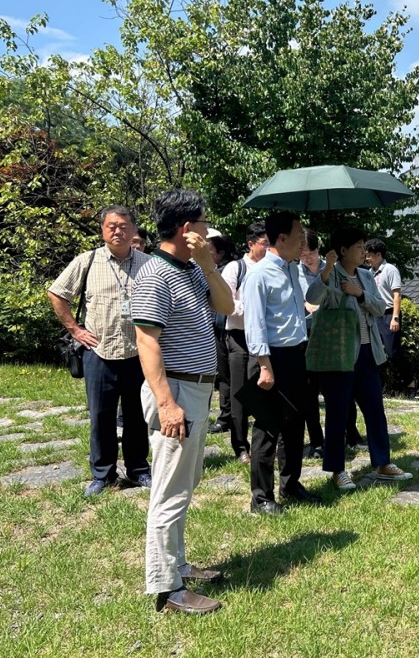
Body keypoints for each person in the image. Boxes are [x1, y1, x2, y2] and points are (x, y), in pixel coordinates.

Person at [132, 188, 234, 615]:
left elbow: (228, 306)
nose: (209, 230)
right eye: (205, 223)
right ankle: (166, 587)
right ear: (187, 228)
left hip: (196, 389)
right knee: (169, 491)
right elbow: (146, 342)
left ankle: (178, 565)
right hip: (175, 391)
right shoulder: (154, 274)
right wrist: (168, 404)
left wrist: (210, 267)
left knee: (183, 484)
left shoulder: (192, 270)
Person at [48, 205, 152, 497]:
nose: (117, 231)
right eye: (111, 226)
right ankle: (103, 475)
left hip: (138, 353)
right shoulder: (88, 261)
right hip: (99, 352)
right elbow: (57, 293)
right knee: (101, 417)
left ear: (133, 230)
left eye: (123, 225)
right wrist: (75, 330)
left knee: (137, 416)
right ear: (102, 230)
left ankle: (138, 470)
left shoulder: (148, 263)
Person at [315, 227, 413, 492]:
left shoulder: (367, 276)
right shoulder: (330, 272)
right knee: (337, 413)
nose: (364, 252)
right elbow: (313, 297)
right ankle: (337, 470)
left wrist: (358, 293)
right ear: (344, 250)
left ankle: (382, 463)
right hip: (340, 353)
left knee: (374, 408)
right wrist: (328, 269)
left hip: (367, 351)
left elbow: (381, 307)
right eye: (359, 246)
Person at [242, 211, 322, 514]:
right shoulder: (259, 275)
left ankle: (291, 484)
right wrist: (264, 365)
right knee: (266, 428)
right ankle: (261, 497)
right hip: (270, 357)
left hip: (295, 356)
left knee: (294, 424)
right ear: (282, 238)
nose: (303, 241)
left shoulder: (291, 270)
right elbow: (255, 323)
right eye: (299, 234)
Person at [220, 222, 269, 465]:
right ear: (251, 244)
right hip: (240, 338)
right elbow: (226, 304)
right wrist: (253, 310)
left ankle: (265, 441)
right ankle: (240, 446)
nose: (268, 248)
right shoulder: (234, 268)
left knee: (263, 389)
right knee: (240, 394)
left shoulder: (272, 267)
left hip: (266, 337)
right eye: (264, 243)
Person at [364, 238, 417, 398]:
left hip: (388, 314)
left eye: (369, 255)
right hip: (374, 314)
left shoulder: (390, 270)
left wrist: (395, 317)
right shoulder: (369, 273)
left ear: (378, 255)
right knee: (373, 352)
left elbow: (397, 294)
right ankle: (378, 386)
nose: (367, 258)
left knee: (393, 352)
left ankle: (410, 382)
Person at [297, 229, 326, 458]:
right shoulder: (292, 272)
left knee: (335, 390)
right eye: (303, 254)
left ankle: (349, 434)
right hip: (306, 337)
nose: (308, 258)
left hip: (331, 335)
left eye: (311, 253)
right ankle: (317, 441)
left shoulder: (330, 269)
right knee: (308, 393)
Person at [206, 230, 237, 436]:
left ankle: (227, 417)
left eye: (209, 251)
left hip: (227, 328)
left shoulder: (223, 272)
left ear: (220, 253)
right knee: (224, 376)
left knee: (227, 377)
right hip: (217, 328)